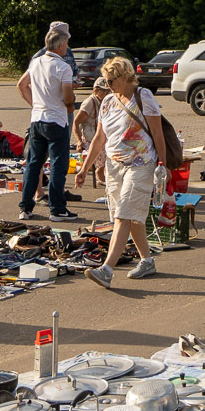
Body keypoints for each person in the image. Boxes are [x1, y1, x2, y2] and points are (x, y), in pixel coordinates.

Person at [77, 57, 161, 287]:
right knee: (128, 216)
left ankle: (106, 269)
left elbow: (158, 133)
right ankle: (147, 260)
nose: (108, 85)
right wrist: (85, 167)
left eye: (111, 80)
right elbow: (99, 138)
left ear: (124, 77)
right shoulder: (107, 102)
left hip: (141, 164)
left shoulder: (143, 97)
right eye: (105, 80)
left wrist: (163, 166)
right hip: (115, 166)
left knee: (124, 213)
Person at [15, 28, 79, 222]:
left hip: (37, 119)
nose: (67, 48)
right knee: (58, 165)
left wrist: (35, 104)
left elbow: (21, 85)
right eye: (66, 44)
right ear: (60, 46)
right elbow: (68, 96)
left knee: (34, 164)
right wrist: (69, 106)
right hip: (56, 120)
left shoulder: (36, 62)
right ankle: (57, 209)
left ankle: (25, 208)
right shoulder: (63, 67)